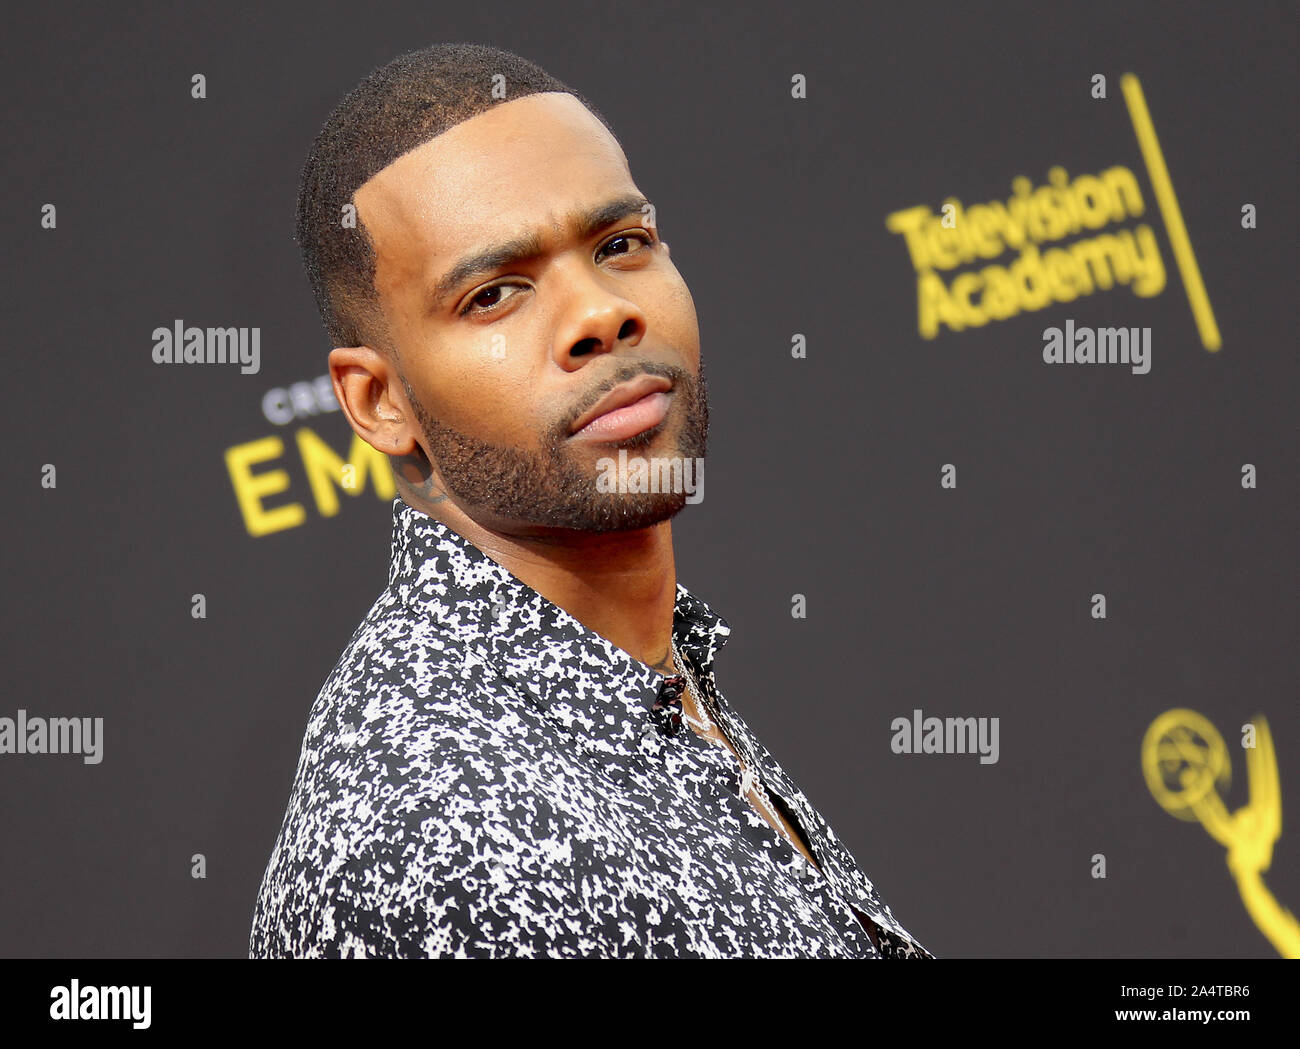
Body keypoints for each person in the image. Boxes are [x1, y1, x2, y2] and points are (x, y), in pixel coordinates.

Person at [249, 41, 933, 959]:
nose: (601, 314)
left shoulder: (646, 679)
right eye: (496, 294)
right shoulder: (432, 837)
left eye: (621, 245)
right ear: (381, 402)